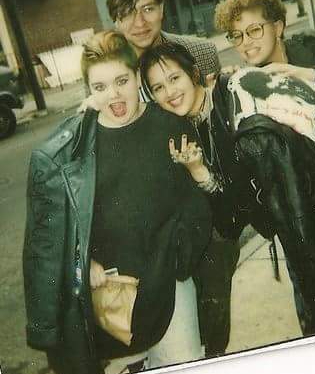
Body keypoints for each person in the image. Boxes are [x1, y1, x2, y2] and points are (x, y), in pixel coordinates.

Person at [139, 42, 315, 335]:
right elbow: (232, 221)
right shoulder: (201, 124)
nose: (169, 93)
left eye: (174, 79)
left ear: (194, 74)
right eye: (157, 88)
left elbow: (292, 207)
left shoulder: (242, 100)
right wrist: (200, 172)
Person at [23, 31, 212, 374]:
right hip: (108, 294)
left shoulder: (170, 127)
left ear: (138, 77)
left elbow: (195, 206)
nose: (114, 95)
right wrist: (85, 262)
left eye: (122, 80)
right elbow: (58, 230)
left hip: (168, 286)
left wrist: (179, 258)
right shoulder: (76, 146)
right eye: (100, 87)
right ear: (89, 91)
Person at [106, 0, 239, 356]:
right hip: (151, 217)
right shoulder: (114, 70)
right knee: (162, 325)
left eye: (148, 7)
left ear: (163, 6)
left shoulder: (199, 52)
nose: (139, 21)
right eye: (127, 13)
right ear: (114, 19)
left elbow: (218, 120)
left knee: (213, 312)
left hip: (204, 200)